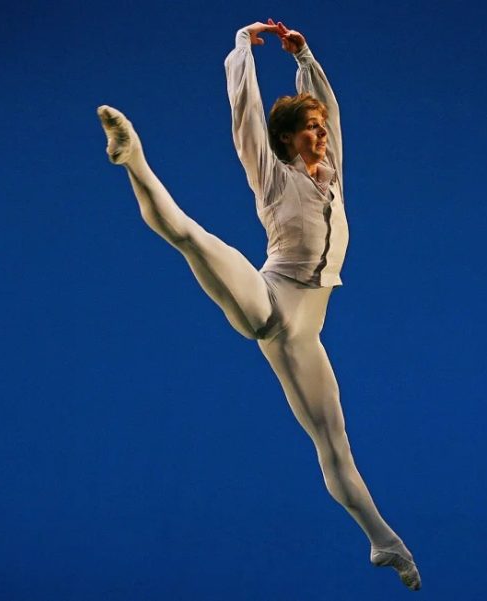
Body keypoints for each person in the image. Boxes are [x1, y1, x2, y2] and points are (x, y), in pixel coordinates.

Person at [96, 19, 421, 591]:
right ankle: (134, 159)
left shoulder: (334, 176)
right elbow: (246, 117)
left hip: (304, 339)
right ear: (289, 140)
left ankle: (383, 541)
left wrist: (305, 58)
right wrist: (242, 49)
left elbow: (332, 113)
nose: (321, 136)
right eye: (310, 131)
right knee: (191, 238)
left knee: (335, 447)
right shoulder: (274, 177)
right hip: (268, 300)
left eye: (321, 129)